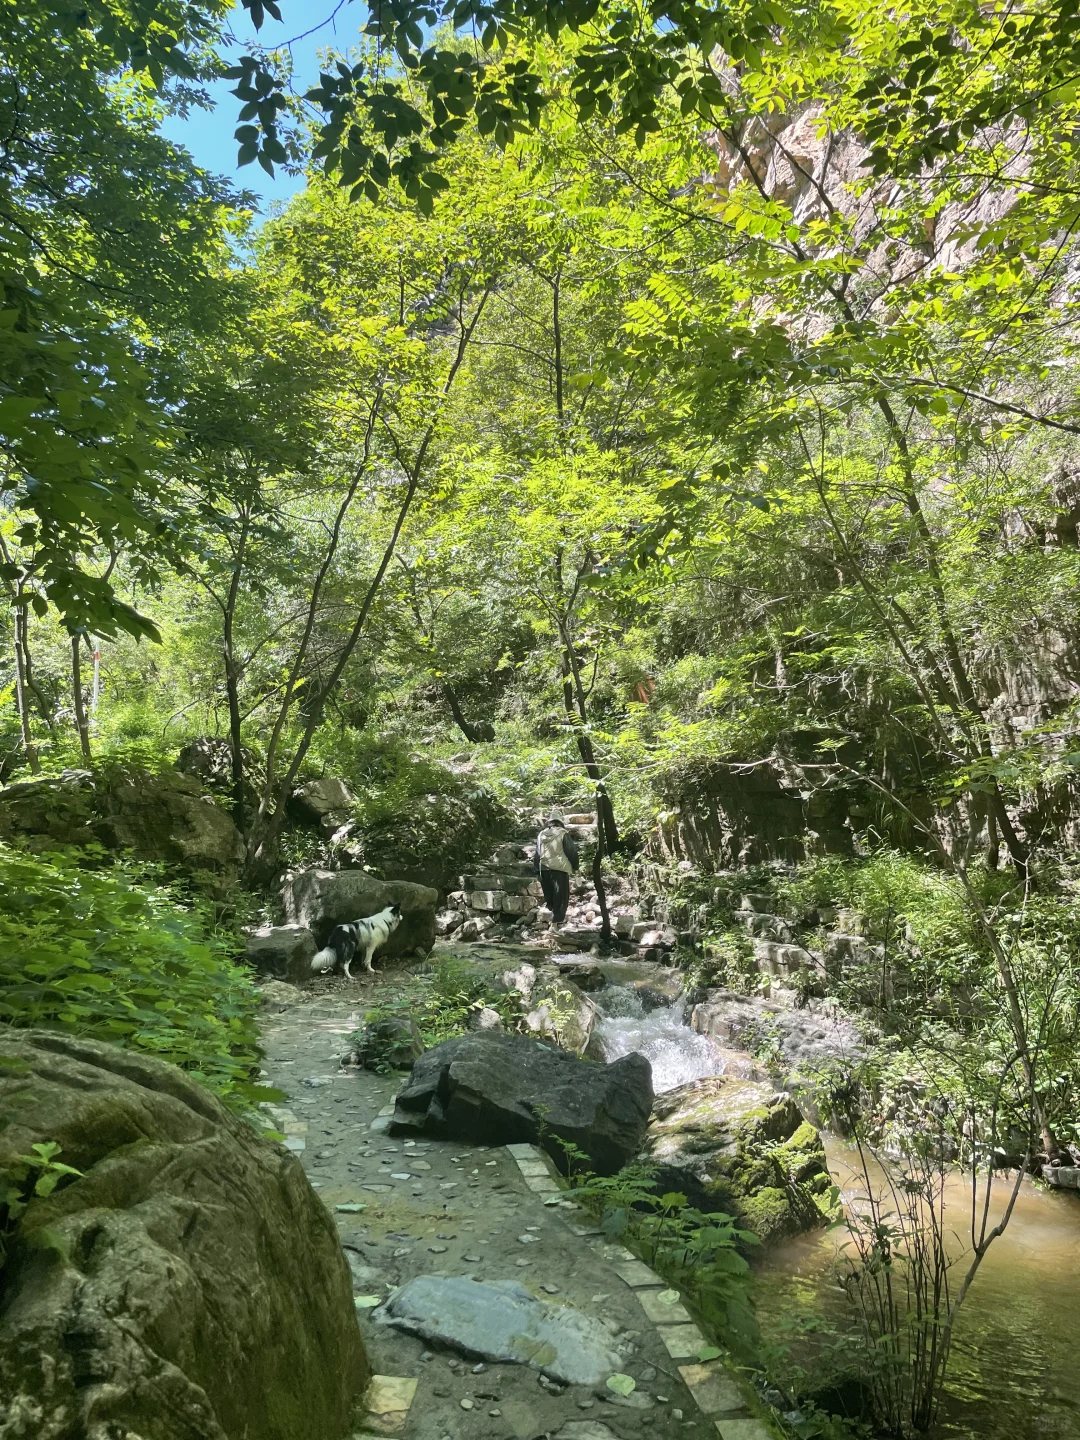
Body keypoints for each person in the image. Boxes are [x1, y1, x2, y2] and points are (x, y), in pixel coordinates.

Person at [534, 814, 579, 925]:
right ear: (560, 823)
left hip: (544, 869)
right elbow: (571, 852)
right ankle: (556, 924)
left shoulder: (541, 834)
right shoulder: (563, 833)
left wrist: (537, 870)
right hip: (560, 869)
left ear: (549, 823)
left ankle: (551, 922)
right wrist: (575, 866)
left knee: (550, 897)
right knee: (561, 898)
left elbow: (537, 854)